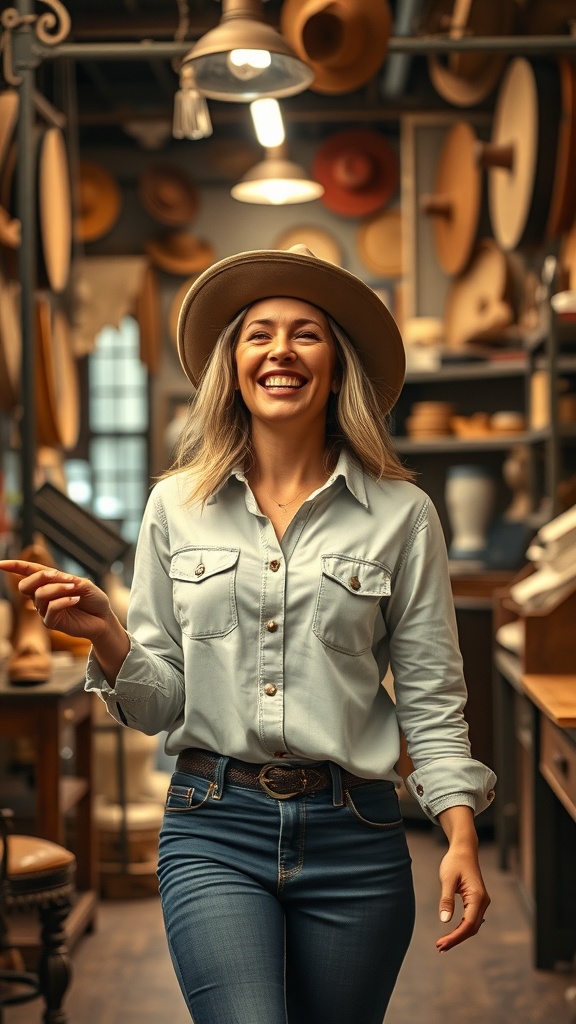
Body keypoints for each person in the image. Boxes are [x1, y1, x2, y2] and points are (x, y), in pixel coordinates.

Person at [0, 244, 496, 1024]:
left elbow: (432, 699)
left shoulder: (404, 517)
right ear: (233, 365)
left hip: (357, 833)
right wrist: (109, 636)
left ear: (336, 366)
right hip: (213, 825)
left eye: (307, 333)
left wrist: (460, 834)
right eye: (258, 333)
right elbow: (161, 701)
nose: (281, 350)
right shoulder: (175, 506)